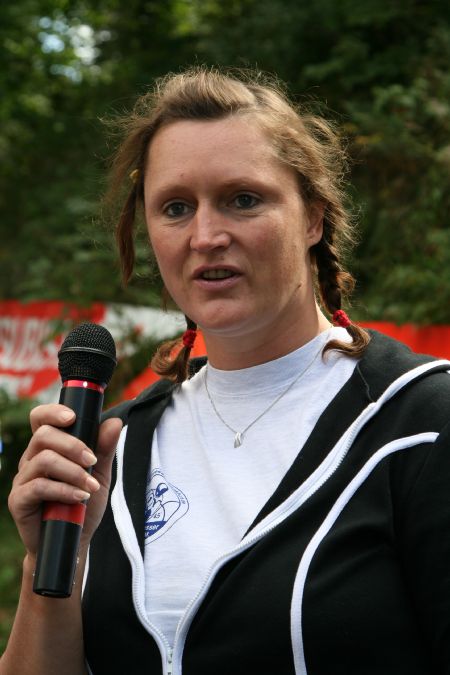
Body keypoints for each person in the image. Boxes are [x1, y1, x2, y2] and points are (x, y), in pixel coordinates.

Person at [2, 66, 450, 675]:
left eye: (243, 200)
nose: (206, 236)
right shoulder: (111, 445)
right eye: (176, 208)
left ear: (314, 218)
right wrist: (50, 561)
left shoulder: (420, 421)